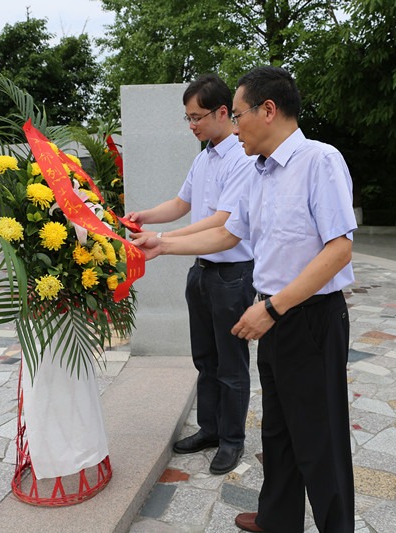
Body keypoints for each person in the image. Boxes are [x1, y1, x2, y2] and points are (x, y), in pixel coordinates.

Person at [132, 66, 357, 533]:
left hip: (310, 318)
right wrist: (163, 245)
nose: (234, 128)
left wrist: (273, 307)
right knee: (278, 430)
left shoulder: (319, 161)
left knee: (320, 438)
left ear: (267, 110)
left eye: (237, 116)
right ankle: (278, 519)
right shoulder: (258, 173)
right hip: (272, 315)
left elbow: (339, 249)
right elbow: (228, 232)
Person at [126, 74, 257, 475]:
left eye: (197, 117)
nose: (192, 125)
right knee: (205, 358)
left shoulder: (242, 159)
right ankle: (210, 429)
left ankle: (232, 440)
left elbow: (221, 220)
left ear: (223, 112)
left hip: (232, 274)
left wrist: (163, 240)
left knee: (231, 363)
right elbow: (182, 202)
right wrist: (145, 216)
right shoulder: (204, 158)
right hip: (200, 271)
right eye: (188, 118)